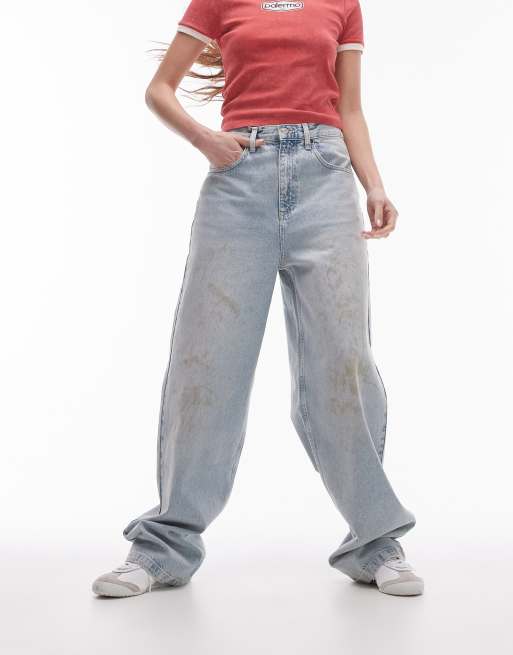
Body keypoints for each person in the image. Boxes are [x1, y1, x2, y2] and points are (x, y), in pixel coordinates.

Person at [93, 0, 423, 598]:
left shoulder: (342, 4)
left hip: (326, 177)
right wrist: (206, 141)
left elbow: (349, 107)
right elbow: (160, 90)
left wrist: (374, 185)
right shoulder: (217, 2)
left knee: (344, 363)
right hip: (237, 182)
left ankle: (375, 543)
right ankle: (164, 548)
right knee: (206, 363)